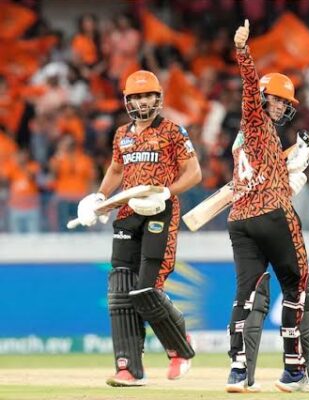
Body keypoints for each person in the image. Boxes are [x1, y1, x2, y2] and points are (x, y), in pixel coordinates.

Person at [75, 70, 202, 386]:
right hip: (127, 212)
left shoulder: (173, 131)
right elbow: (117, 169)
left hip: (160, 210)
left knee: (145, 289)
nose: (142, 101)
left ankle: (179, 348)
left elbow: (194, 173)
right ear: (127, 100)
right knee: (120, 288)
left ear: (158, 98)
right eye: (136, 96)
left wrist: (167, 191)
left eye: (147, 95)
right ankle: (129, 368)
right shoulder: (122, 135)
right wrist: (100, 198)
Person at [225, 19, 309, 393]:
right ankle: (294, 370)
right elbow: (250, 87)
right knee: (298, 286)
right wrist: (244, 51)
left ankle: (238, 372)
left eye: (285, 101)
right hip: (273, 215)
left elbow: (270, 172)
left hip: (240, 219)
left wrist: (296, 163)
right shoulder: (256, 118)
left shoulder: (250, 140)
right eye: (276, 98)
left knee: (245, 294)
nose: (280, 106)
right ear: (264, 98)